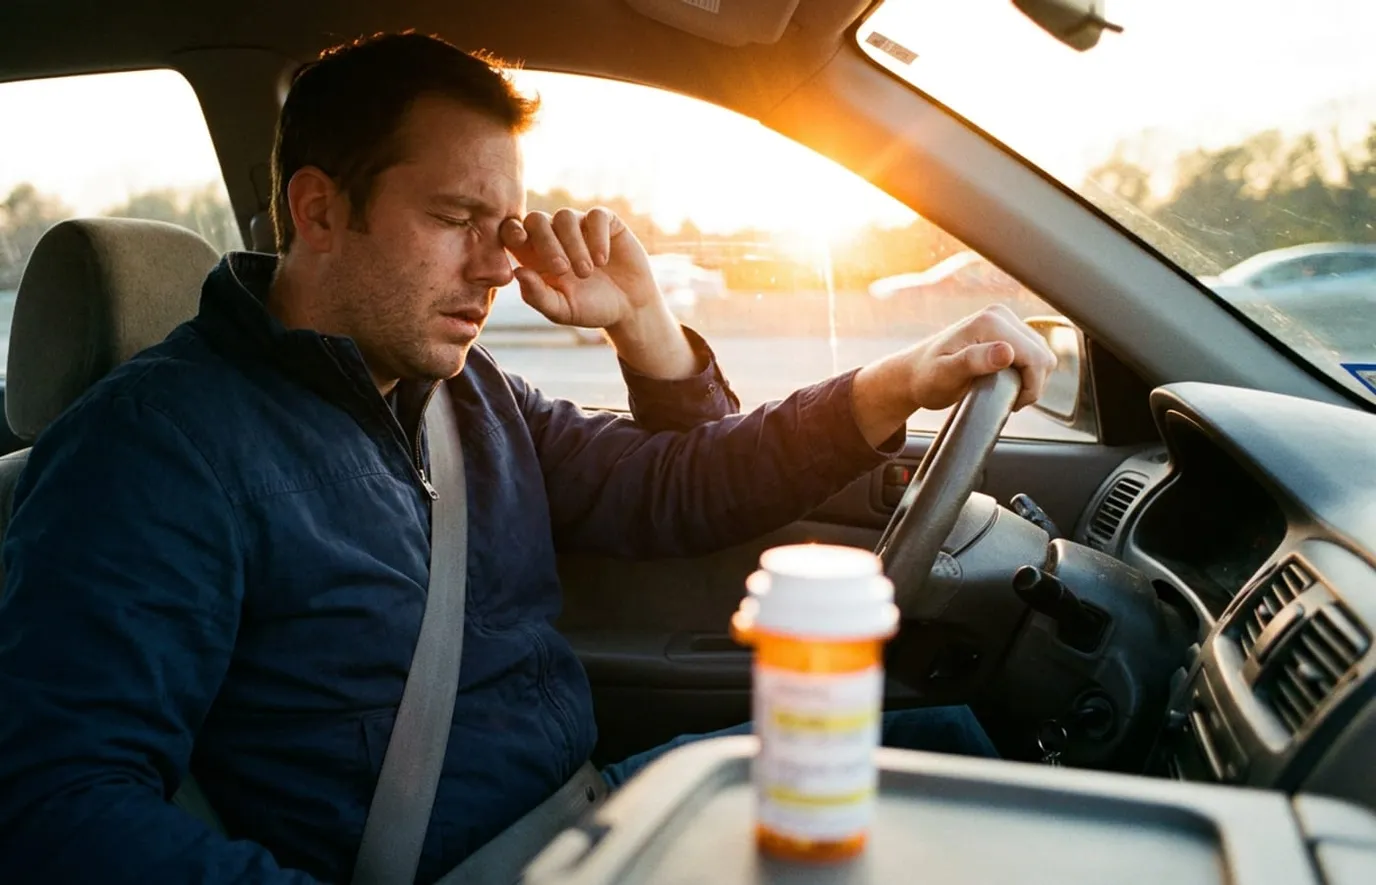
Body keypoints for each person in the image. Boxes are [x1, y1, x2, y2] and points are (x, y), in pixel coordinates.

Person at [0, 32, 1054, 885]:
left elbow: (676, 489)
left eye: (504, 227)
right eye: (456, 219)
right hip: (467, 861)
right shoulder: (153, 450)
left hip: (597, 813)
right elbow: (59, 805)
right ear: (318, 210)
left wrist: (878, 379)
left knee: (955, 763)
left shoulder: (466, 397)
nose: (495, 268)